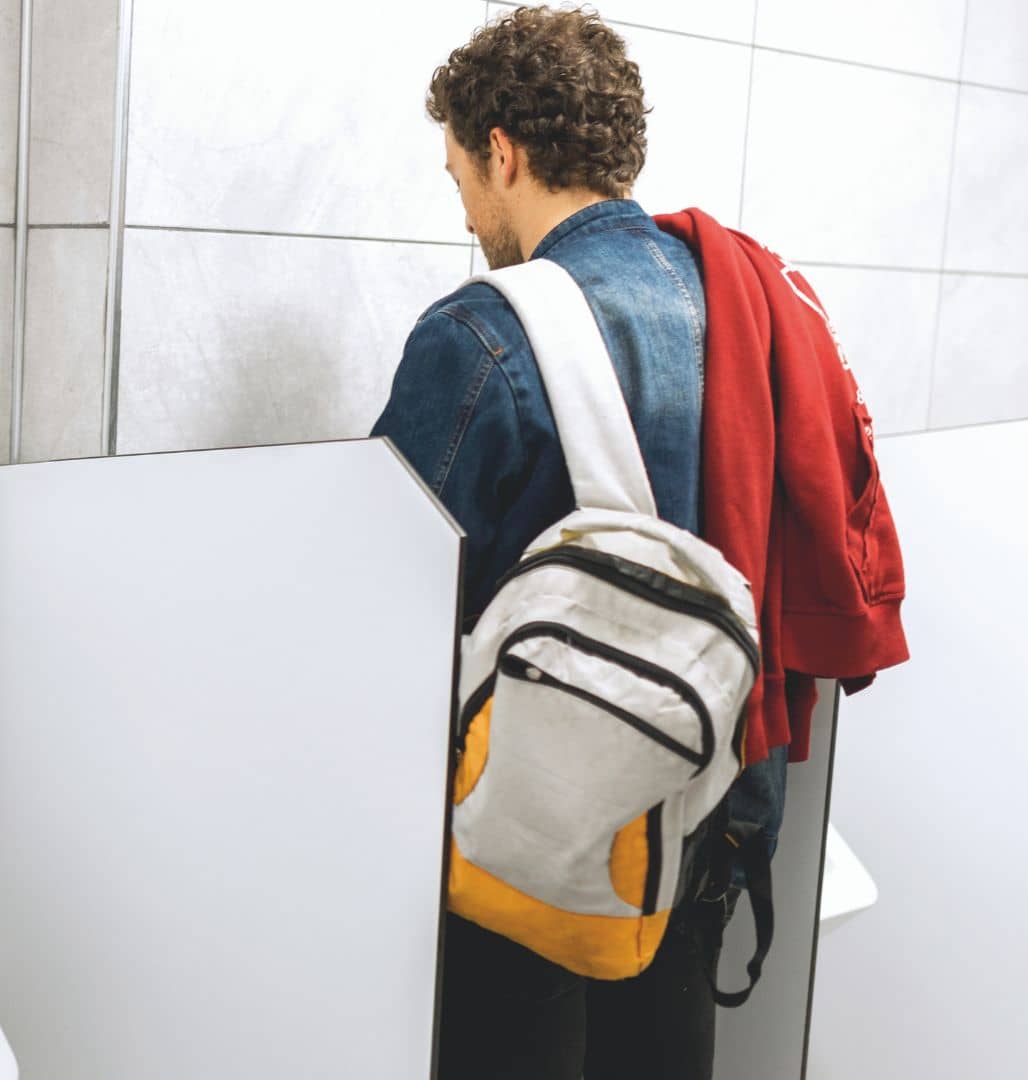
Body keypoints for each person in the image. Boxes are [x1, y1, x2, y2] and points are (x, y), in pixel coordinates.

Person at [370, 7, 774, 1077]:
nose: (466, 212)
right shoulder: (740, 306)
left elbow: (382, 605)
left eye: (459, 175)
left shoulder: (482, 332)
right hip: (699, 809)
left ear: (501, 153)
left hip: (530, 843)